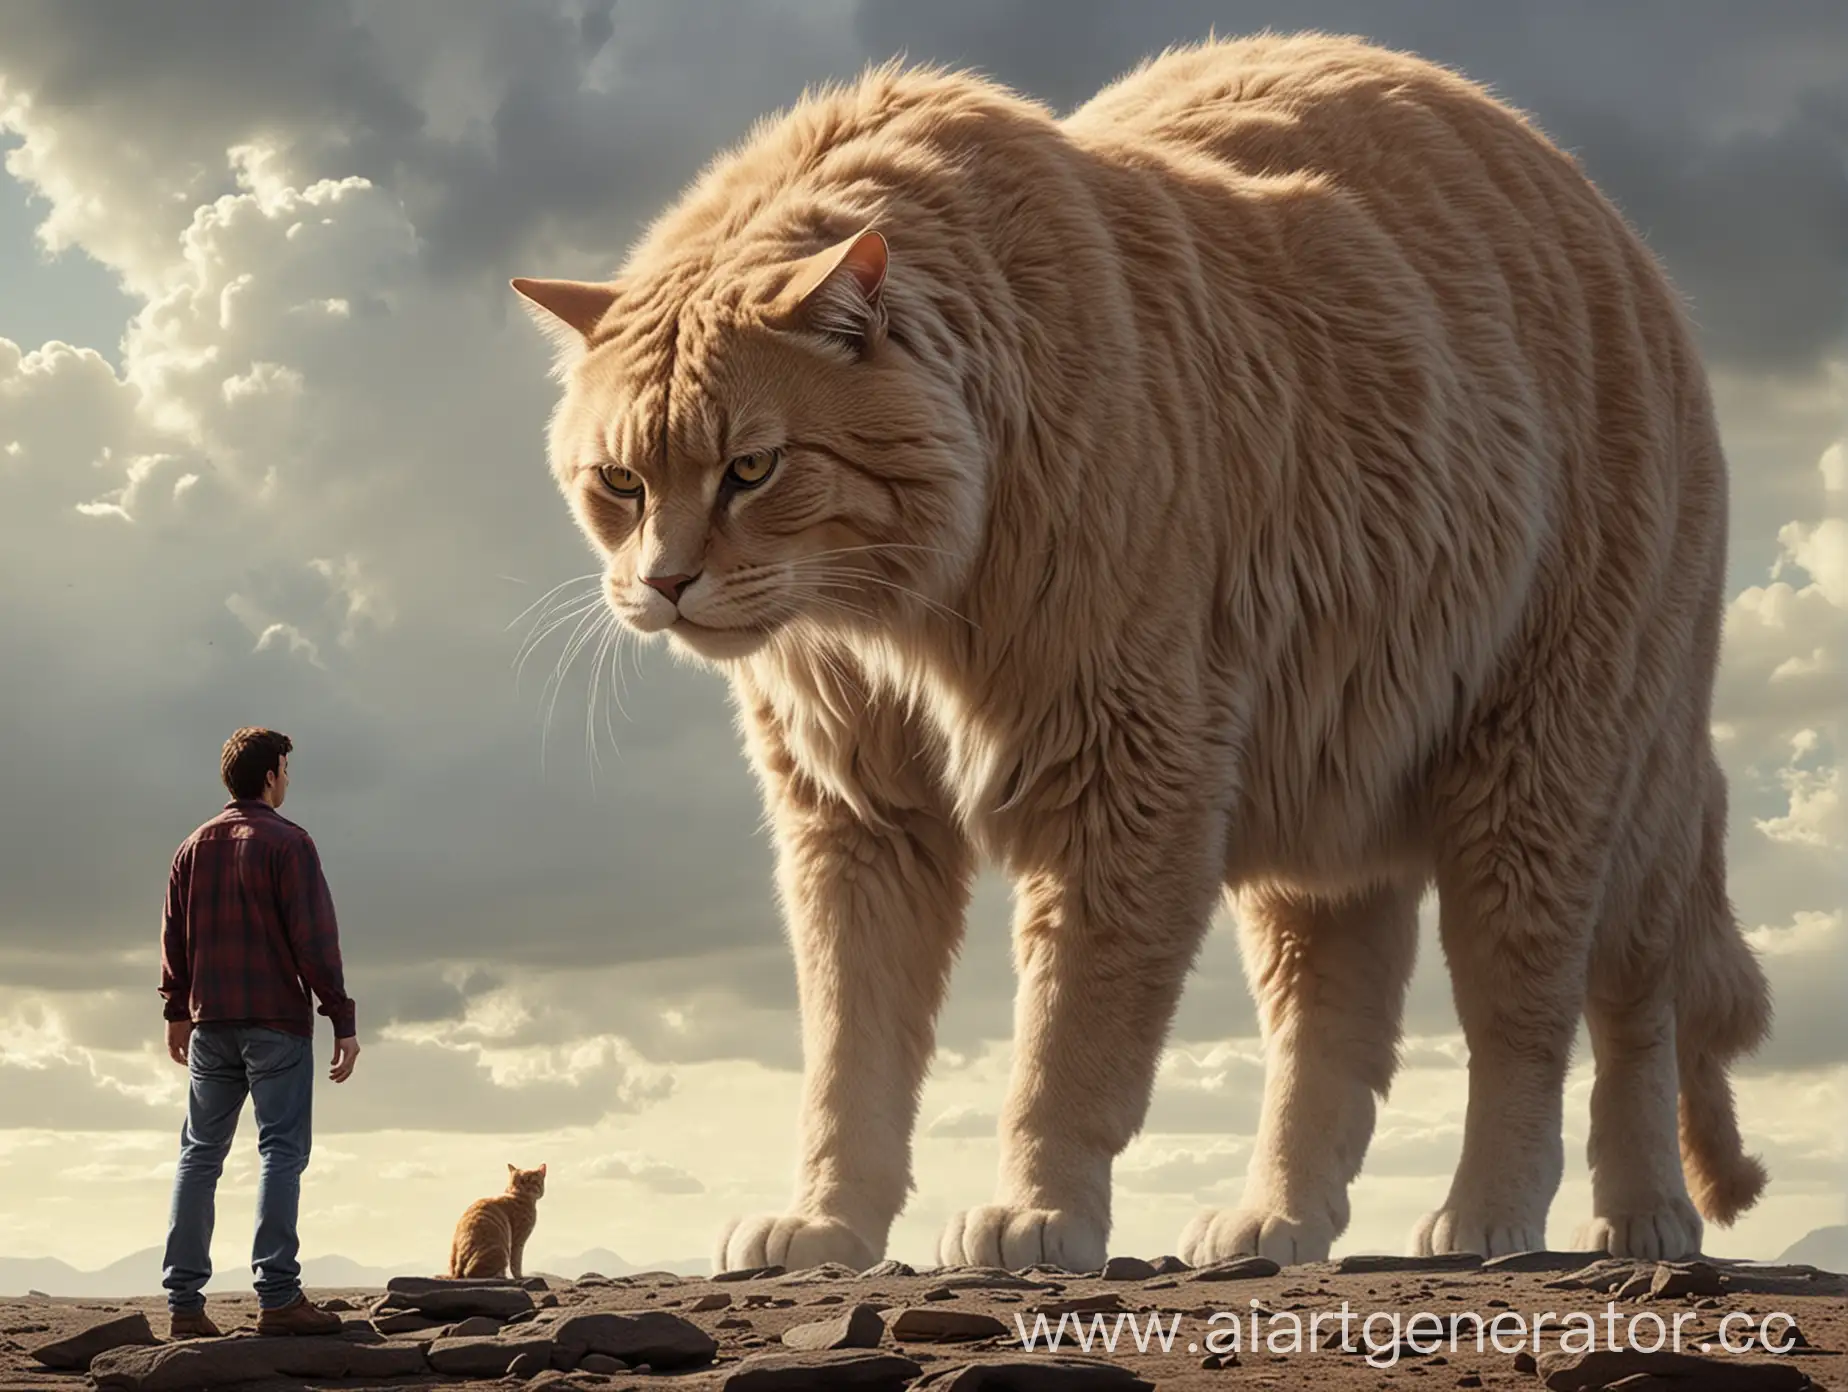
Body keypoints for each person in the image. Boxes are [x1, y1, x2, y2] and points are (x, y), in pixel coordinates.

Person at [157, 727, 361, 1338]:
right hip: (275, 1021)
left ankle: (185, 1306)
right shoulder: (289, 843)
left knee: (199, 1156)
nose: (288, 780)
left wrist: (176, 1013)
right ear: (271, 776)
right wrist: (342, 1020)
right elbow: (315, 942)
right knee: (281, 1153)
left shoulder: (191, 847)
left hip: (211, 1021)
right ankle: (277, 1297)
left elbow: (174, 937)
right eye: (286, 770)